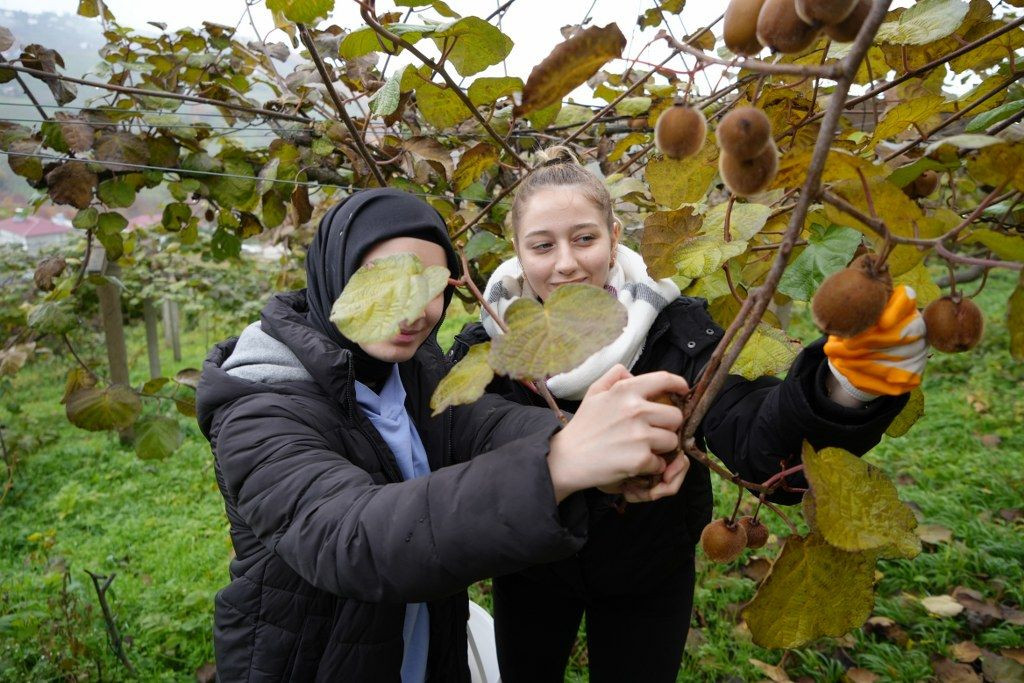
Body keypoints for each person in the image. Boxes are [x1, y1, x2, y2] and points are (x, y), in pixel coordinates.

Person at [447, 148, 928, 683]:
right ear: (517, 251)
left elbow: (756, 437)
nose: (565, 263)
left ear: (614, 239)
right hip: (530, 568)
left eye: (584, 238)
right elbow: (455, 450)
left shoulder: (678, 332)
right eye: (543, 245)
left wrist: (845, 388)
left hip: (651, 571)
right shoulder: (485, 352)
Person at [194, 188, 691, 682]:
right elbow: (350, 538)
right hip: (310, 662)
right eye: (386, 280)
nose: (414, 311)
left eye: (430, 285)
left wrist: (582, 442)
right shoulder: (258, 405)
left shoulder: (410, 367)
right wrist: (558, 464)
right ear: (334, 270)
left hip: (426, 651)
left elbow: (480, 427)